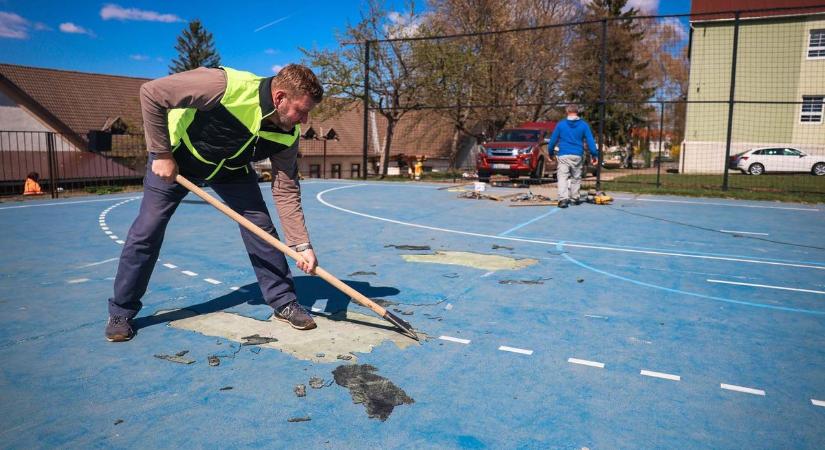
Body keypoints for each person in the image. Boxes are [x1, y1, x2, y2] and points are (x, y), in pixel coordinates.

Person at [105, 64, 324, 342]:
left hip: (230, 170)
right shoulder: (223, 86)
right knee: (148, 229)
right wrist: (161, 153)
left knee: (260, 227)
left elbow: (286, 189)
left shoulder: (288, 133)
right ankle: (122, 310)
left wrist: (301, 245)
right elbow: (152, 93)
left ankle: (283, 301)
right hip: (175, 160)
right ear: (280, 98)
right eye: (301, 111)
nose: (304, 120)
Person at [547, 104, 599, 208]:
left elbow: (552, 141)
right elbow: (590, 141)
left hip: (563, 154)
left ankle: (563, 199)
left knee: (562, 177)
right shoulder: (584, 125)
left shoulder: (561, 125)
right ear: (577, 112)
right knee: (576, 177)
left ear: (567, 112)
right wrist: (594, 155)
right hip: (577, 154)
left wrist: (550, 153)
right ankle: (575, 198)